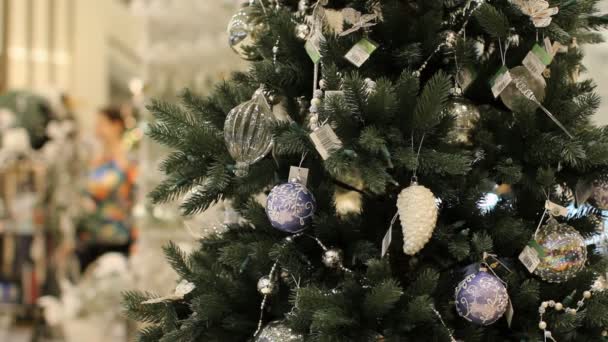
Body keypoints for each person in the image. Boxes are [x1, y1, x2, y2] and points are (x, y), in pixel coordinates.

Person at [76, 107, 137, 271]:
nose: (97, 129)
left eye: (102, 124)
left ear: (116, 125)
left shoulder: (127, 161)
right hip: (89, 238)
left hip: (117, 238)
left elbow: (133, 198)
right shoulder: (95, 160)